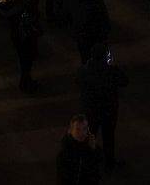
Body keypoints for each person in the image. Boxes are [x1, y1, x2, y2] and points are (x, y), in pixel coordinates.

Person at [78, 43, 130, 172]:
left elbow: (78, 82)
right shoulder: (110, 71)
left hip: (91, 110)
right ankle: (109, 163)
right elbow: (124, 81)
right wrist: (114, 66)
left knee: (90, 136)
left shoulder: (84, 70)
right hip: (108, 110)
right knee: (108, 137)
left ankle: (88, 163)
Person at [0, 0, 42, 92]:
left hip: (16, 36)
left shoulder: (4, 6)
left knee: (22, 59)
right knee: (27, 60)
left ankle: (26, 80)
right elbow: (34, 16)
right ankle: (25, 82)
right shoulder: (24, 5)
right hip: (25, 35)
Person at [56, 114, 103, 185]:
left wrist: (94, 149)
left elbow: (98, 167)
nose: (82, 133)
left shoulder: (91, 146)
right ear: (70, 131)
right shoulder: (65, 153)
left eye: (84, 129)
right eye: (77, 129)